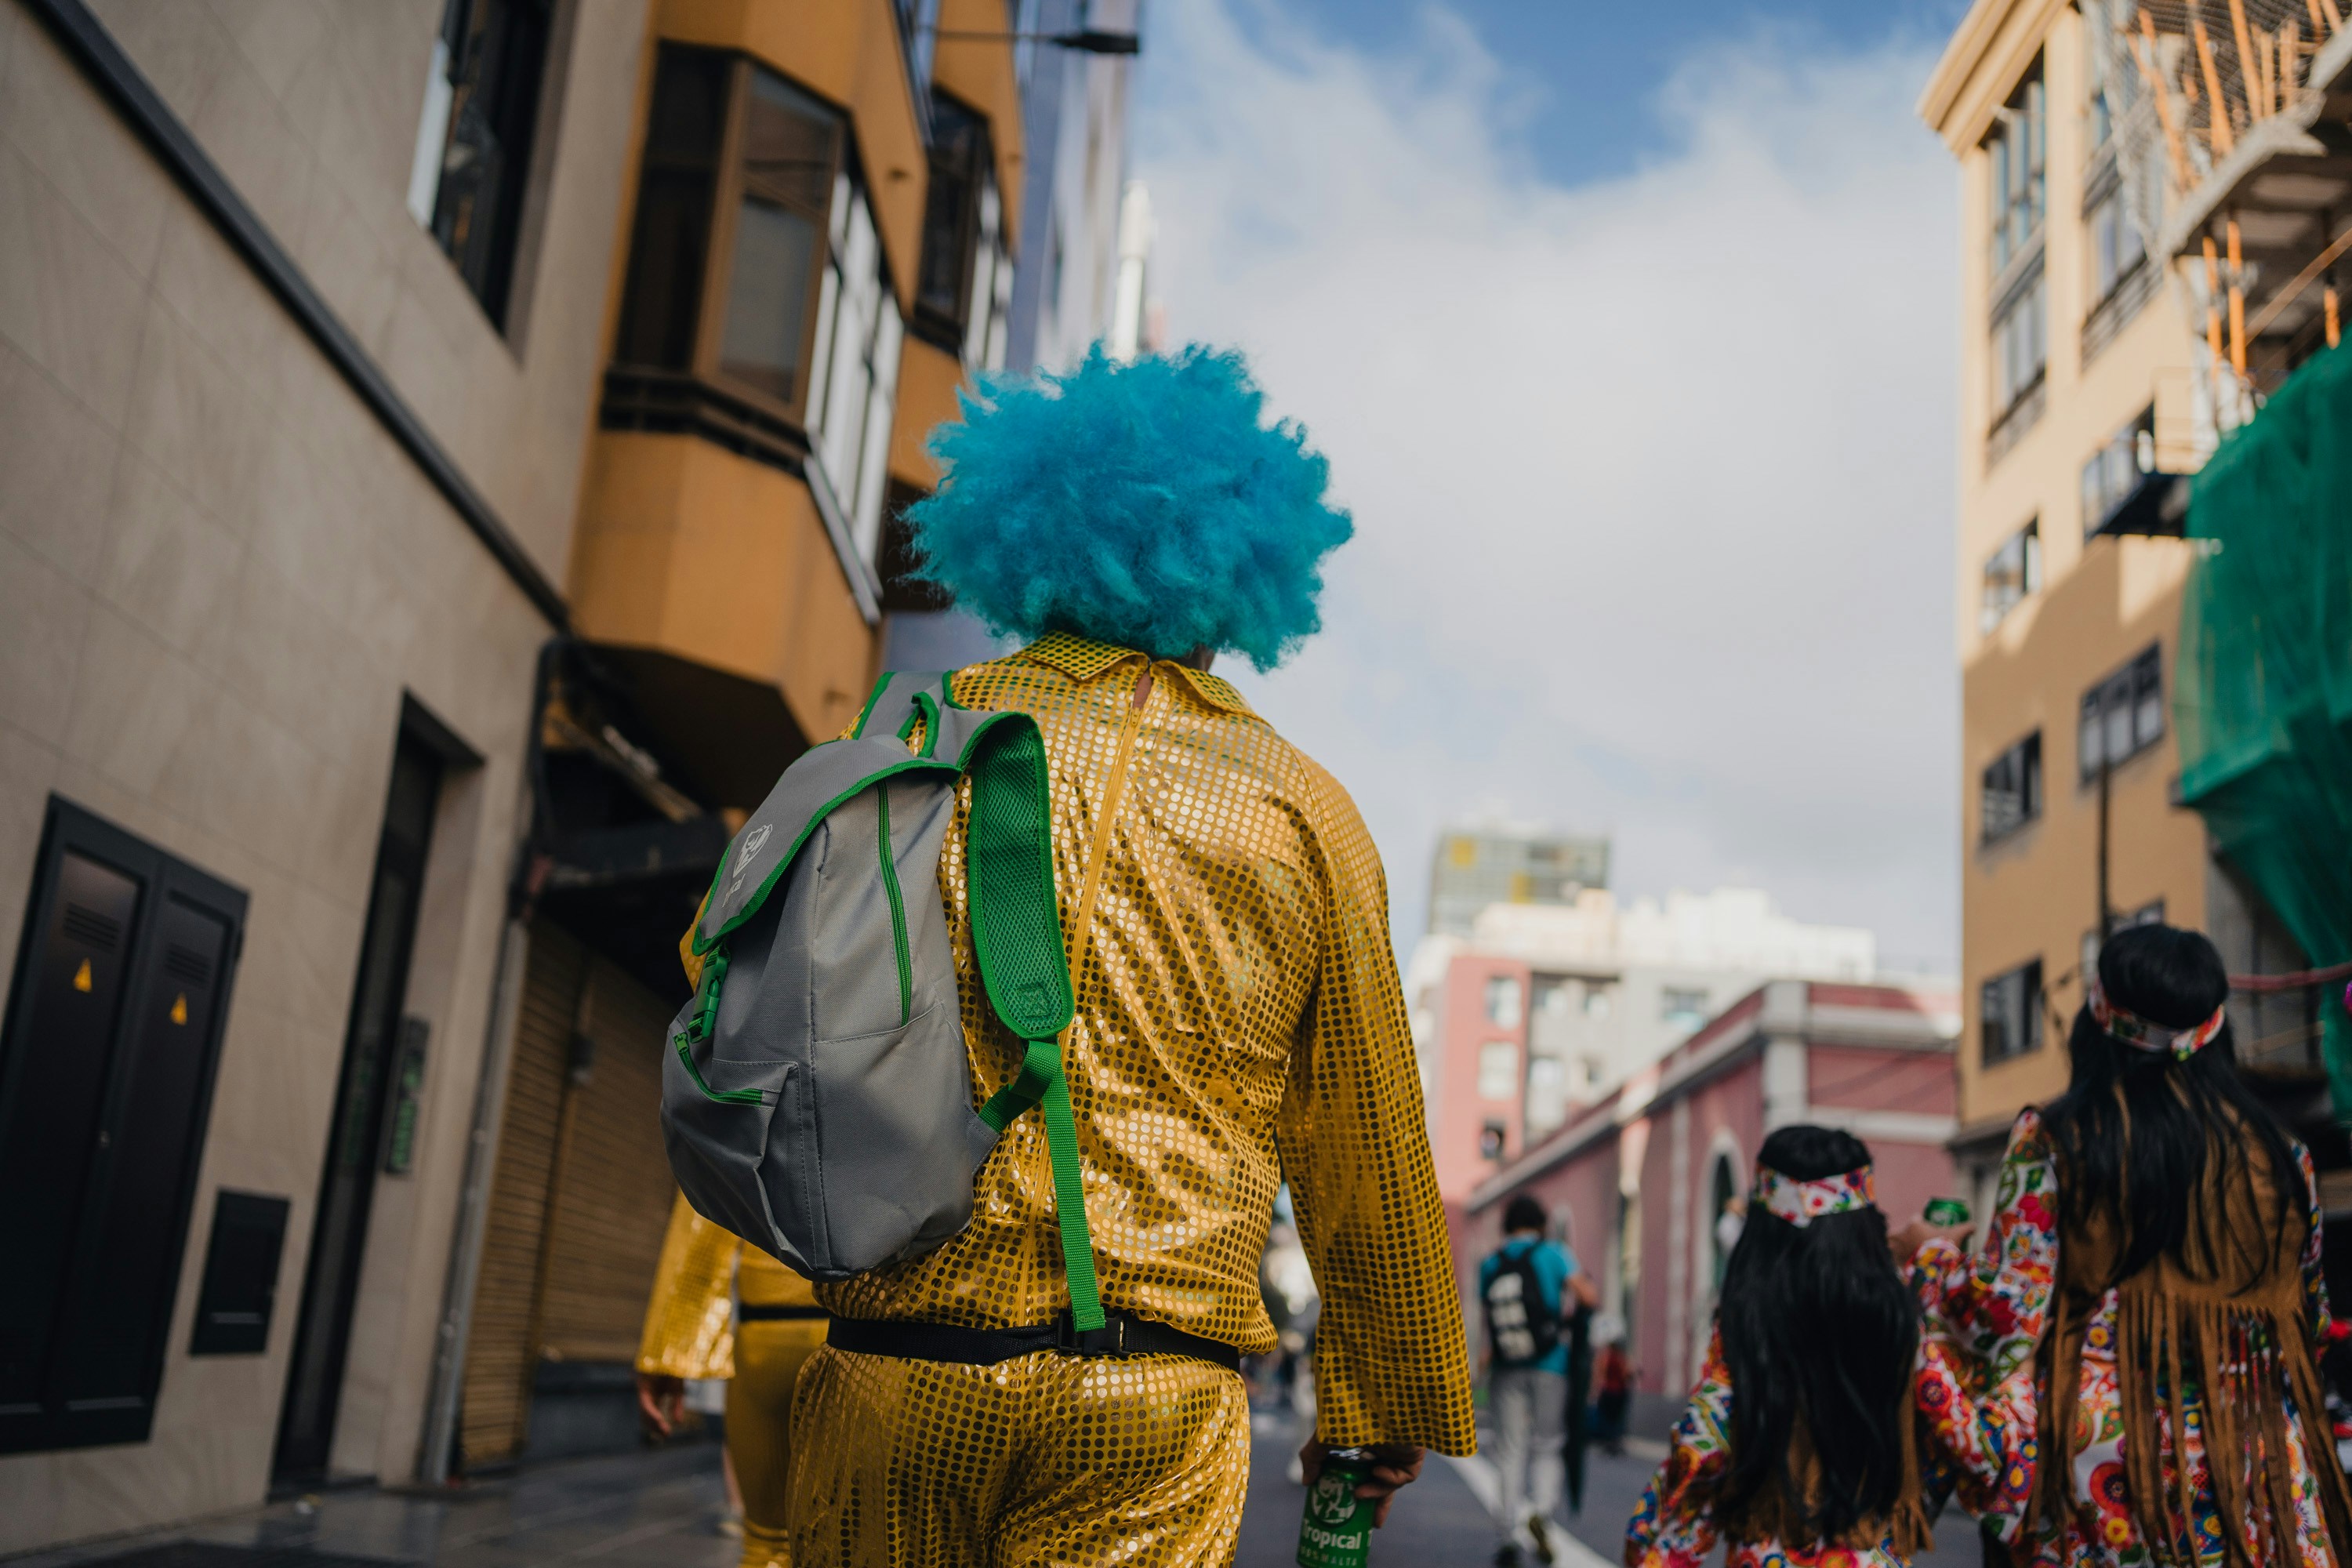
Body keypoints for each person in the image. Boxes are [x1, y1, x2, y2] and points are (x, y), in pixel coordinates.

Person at [773, 347, 1476, 1564]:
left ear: (1021, 545)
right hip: (1148, 1400)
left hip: (894, 1372)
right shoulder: (1302, 811)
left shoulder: (908, 741)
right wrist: (1372, 1414)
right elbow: (1365, 1143)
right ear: (1238, 581)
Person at [1897, 923, 2352, 1566]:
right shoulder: (2287, 1159)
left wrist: (1931, 1256)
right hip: (2252, 1470)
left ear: (2097, 1017)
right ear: (2215, 1025)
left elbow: (2005, 1318)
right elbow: (2307, 1322)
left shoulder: (2054, 1140)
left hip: (2103, 1480)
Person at [1626, 1126, 1937, 1567]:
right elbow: (1975, 1457)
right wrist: (1936, 1260)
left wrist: (1646, 1545)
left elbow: (1699, 1457)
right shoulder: (1901, 1325)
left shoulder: (1747, 1332)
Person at [636, 1191, 829, 1568]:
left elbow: (707, 1188)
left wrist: (668, 1349)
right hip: (884, 1335)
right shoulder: (976, 1126)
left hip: (768, 1332)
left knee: (768, 1543)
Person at [1481, 1192, 1598, 1563]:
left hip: (1505, 1368)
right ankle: (1541, 1514)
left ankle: (1507, 1534)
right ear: (1540, 1222)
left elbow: (1488, 1318)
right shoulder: (1554, 1253)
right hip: (1551, 1364)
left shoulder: (1490, 1263)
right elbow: (1588, 1297)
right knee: (1548, 1443)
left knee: (1510, 1450)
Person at [1593, 1328, 1633, 1455]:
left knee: (1610, 1419)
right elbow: (1627, 1374)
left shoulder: (1608, 1357)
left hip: (1611, 1391)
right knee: (1615, 1419)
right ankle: (1613, 1442)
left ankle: (1611, 1442)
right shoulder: (1620, 1358)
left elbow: (1601, 1373)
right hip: (1617, 1392)